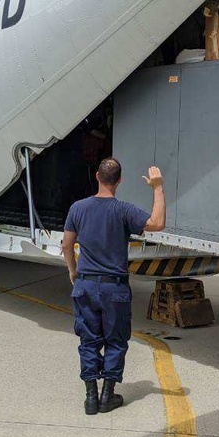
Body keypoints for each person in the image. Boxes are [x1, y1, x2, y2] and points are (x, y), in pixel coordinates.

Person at [62, 159, 165, 415]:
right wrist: (157, 187)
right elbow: (157, 223)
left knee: (88, 340)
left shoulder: (78, 208)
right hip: (114, 288)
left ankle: (90, 398)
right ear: (119, 180)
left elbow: (66, 245)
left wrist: (73, 271)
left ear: (97, 176)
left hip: (85, 285)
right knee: (116, 341)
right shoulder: (124, 211)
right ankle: (107, 395)